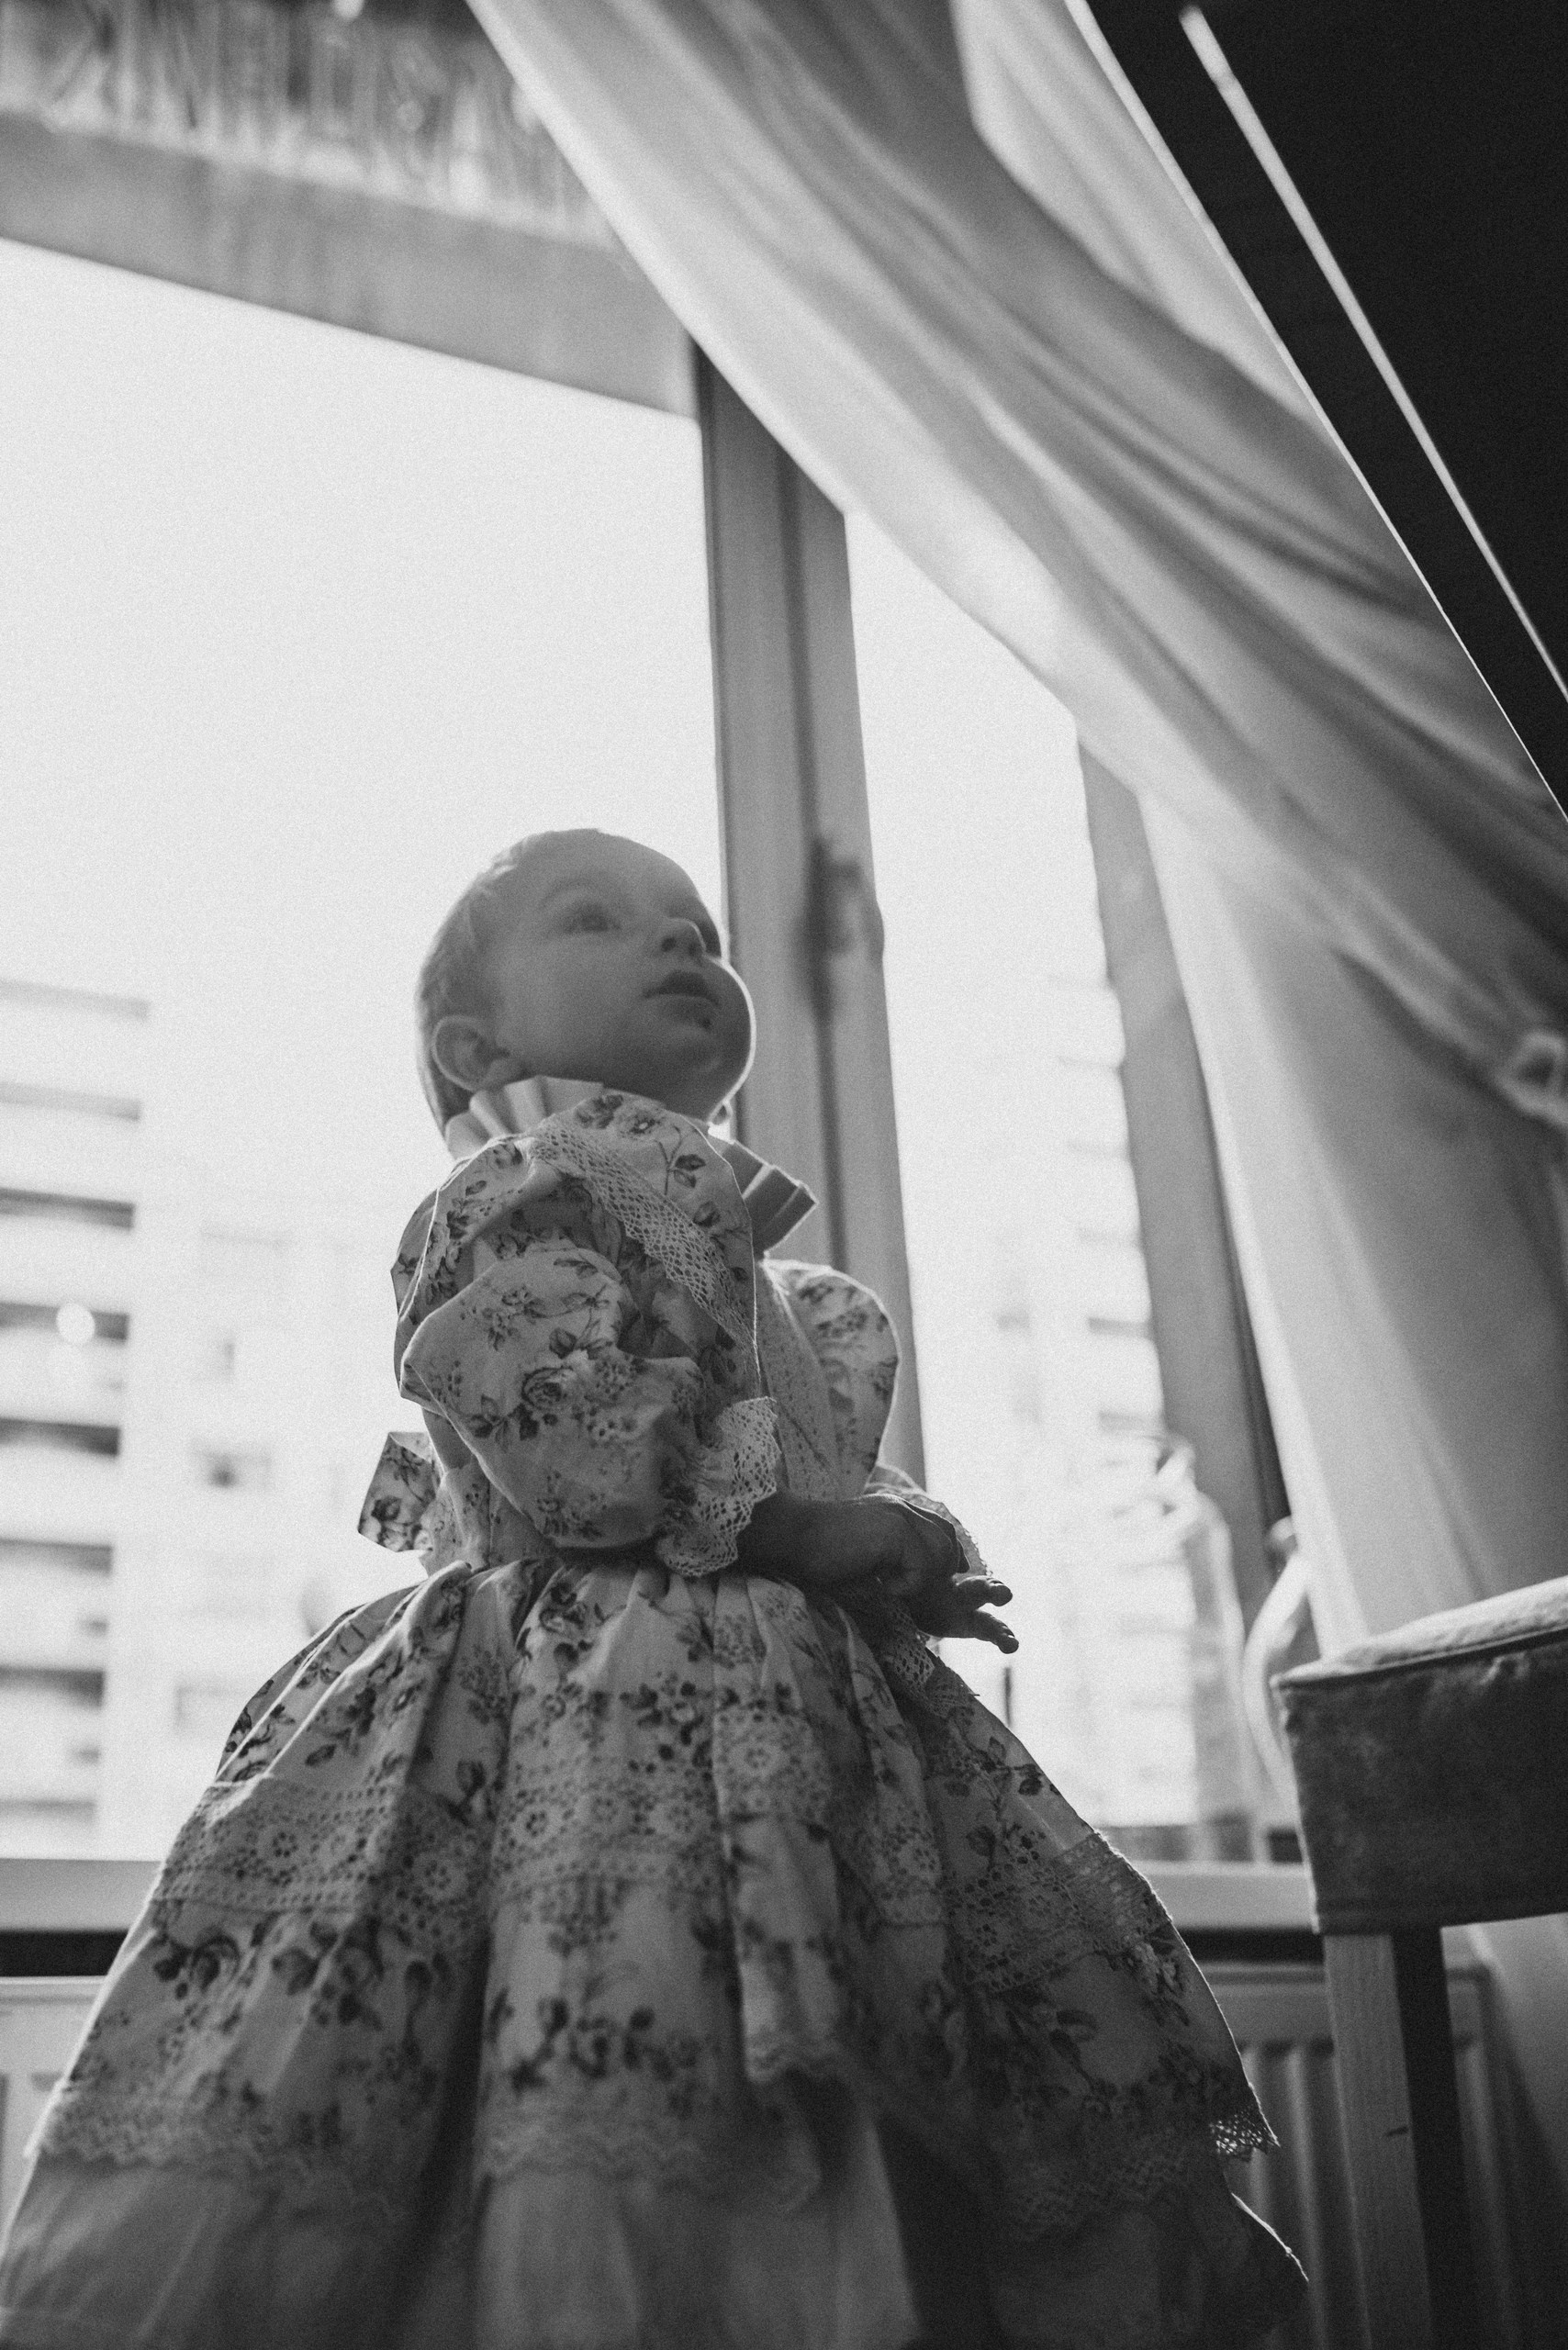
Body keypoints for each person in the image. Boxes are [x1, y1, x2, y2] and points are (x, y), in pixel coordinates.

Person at [0, 830, 1304, 2349]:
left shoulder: (797, 1295)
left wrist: (889, 1547)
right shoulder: (524, 1189)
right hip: (581, 1700)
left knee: (898, 2090)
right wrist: (798, 1531)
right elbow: (567, 1431)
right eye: (601, 919)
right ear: (476, 1049)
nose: (683, 943)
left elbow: (800, 1455)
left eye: (698, 927)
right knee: (602, 2024)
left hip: (805, 1728)